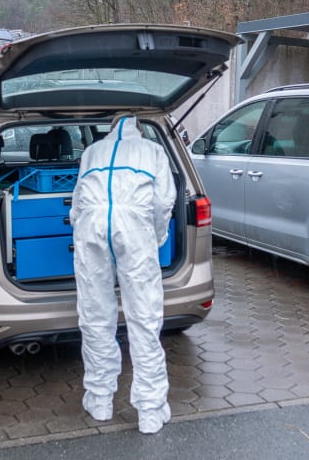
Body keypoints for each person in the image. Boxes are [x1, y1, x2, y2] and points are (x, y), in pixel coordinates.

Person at [69, 115, 177, 435]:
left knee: (95, 313)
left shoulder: (92, 152)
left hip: (91, 224)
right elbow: (163, 201)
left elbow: (77, 202)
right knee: (144, 316)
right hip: (134, 226)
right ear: (138, 128)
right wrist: (156, 236)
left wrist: (81, 225)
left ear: (111, 127)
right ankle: (150, 410)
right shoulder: (152, 151)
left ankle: (100, 399)